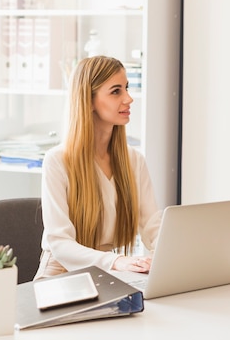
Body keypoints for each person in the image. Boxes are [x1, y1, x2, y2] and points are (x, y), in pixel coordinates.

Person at [34, 56, 162, 279]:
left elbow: (153, 226)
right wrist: (118, 261)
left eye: (127, 88)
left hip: (109, 273)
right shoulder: (57, 161)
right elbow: (61, 244)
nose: (129, 98)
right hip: (60, 274)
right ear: (89, 100)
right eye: (116, 91)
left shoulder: (134, 161)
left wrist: (167, 254)